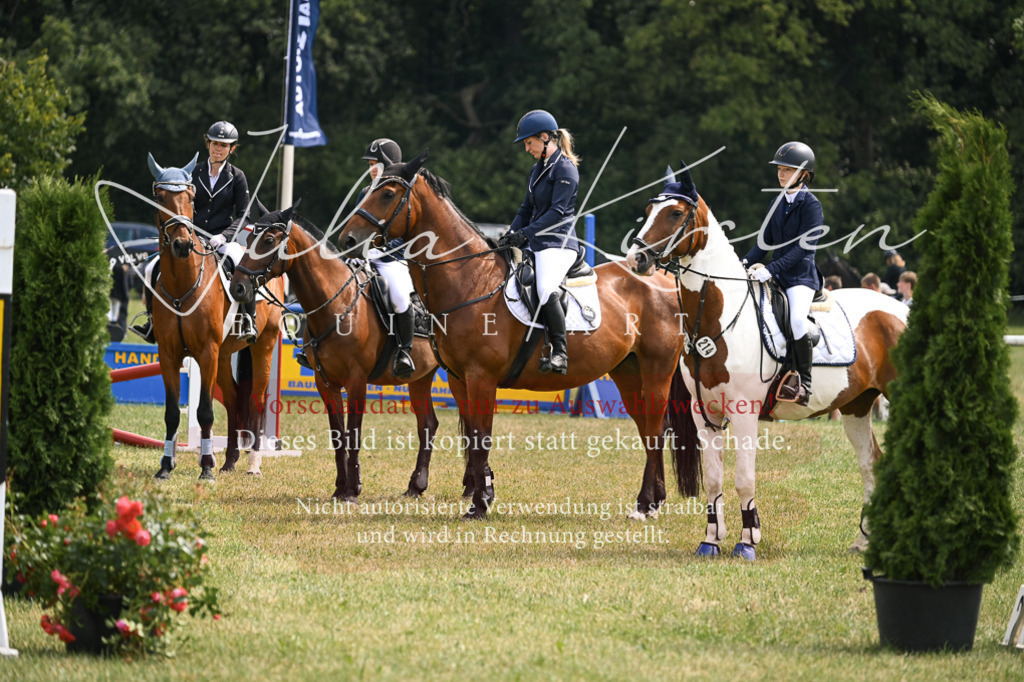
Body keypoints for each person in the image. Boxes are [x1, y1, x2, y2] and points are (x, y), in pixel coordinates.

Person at [132, 121, 266, 343]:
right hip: (193, 236)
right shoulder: (192, 173)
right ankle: (151, 323)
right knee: (150, 269)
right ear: (208, 144)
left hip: (223, 237)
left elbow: (244, 214)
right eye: (215, 143)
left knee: (240, 260)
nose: (218, 148)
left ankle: (248, 319)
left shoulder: (237, 176)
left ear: (232, 149)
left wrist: (224, 236)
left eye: (223, 145)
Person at [499, 109, 581, 375]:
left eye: (529, 142)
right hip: (536, 243)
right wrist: (510, 235)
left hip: (559, 244)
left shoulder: (566, 168)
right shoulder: (537, 171)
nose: (527, 148)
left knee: (545, 287)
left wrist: (526, 234)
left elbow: (556, 214)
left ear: (545, 137)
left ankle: (560, 351)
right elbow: (525, 209)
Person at [744, 141, 824, 406]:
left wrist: (769, 270)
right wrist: (744, 264)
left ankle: (805, 383)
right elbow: (763, 243)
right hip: (775, 274)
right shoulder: (775, 202)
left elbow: (803, 250)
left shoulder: (812, 206)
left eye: (788, 170)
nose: (781, 174)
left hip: (800, 277)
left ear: (804, 174)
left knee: (798, 321)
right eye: (780, 169)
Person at [357, 138, 418, 378]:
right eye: (370, 163)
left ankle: (405, 350)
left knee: (399, 296)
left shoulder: (403, 193)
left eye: (376, 163)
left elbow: (406, 234)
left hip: (393, 258)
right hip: (364, 256)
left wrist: (381, 248)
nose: (372, 168)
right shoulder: (364, 192)